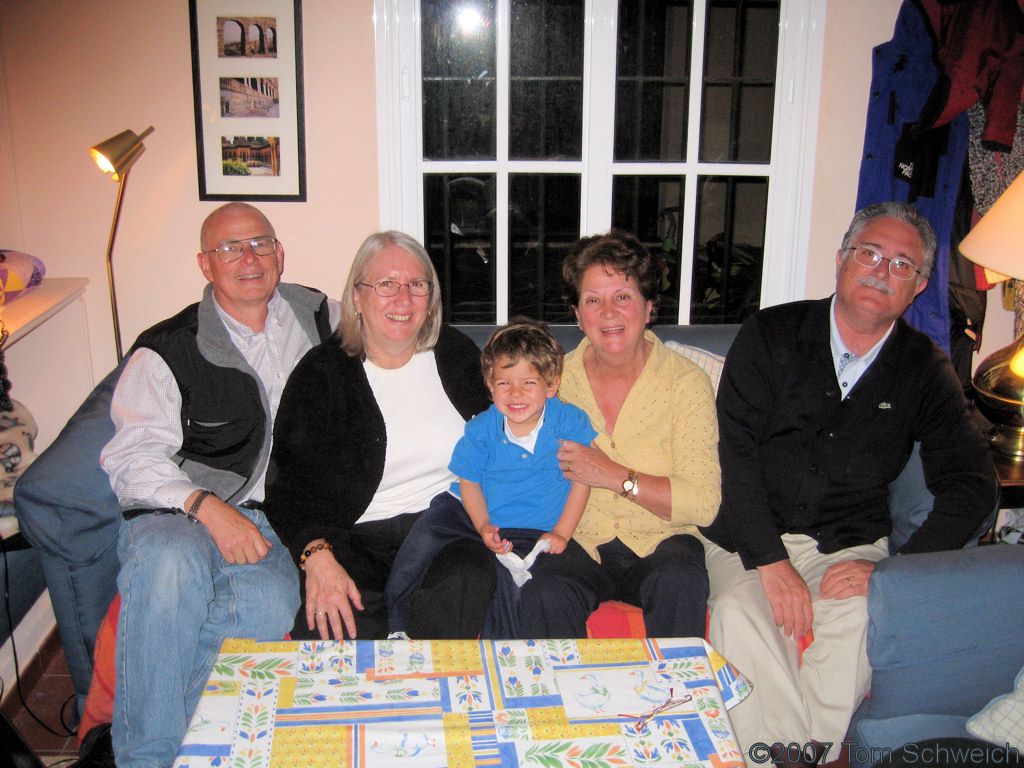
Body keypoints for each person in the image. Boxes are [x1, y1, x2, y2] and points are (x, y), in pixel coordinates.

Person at [700, 202, 998, 767]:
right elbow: (732, 453)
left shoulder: (923, 366)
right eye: (870, 253)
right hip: (748, 532)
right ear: (841, 260)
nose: (881, 271)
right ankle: (791, 756)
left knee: (865, 615)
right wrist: (771, 561)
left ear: (919, 286)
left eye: (901, 264)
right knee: (741, 613)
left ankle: (798, 752)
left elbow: (972, 483)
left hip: (852, 541)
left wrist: (898, 567)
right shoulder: (771, 332)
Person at [98, 202, 340, 768]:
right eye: (230, 249)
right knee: (169, 568)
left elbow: (388, 342)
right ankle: (146, 760)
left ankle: (195, 751)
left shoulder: (320, 318)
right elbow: (130, 456)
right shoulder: (168, 346)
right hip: (179, 510)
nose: (248, 258)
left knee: (271, 603)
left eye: (260, 243)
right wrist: (206, 506)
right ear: (205, 264)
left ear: (280, 253)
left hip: (274, 516)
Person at [263, 230, 496, 642]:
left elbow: (506, 432)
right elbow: (286, 488)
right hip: (352, 539)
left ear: (431, 297)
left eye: (416, 285)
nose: (403, 299)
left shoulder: (457, 356)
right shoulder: (322, 373)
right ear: (357, 296)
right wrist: (315, 554)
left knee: (467, 578)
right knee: (343, 635)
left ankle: (439, 698)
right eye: (386, 284)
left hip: (443, 527)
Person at [520, 229, 721, 638]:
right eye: (593, 300)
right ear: (578, 314)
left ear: (649, 308)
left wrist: (612, 475)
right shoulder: (553, 382)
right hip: (580, 540)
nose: (608, 313)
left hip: (664, 542)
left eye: (623, 297)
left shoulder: (686, 382)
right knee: (545, 590)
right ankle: (560, 702)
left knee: (681, 580)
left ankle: (676, 700)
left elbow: (703, 504)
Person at [386, 317, 597, 638]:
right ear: (489, 384)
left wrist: (562, 533)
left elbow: (583, 478)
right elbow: (469, 483)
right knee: (422, 541)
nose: (515, 394)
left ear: (551, 385)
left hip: (531, 526)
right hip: (468, 509)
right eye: (503, 383)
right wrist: (482, 524)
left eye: (528, 382)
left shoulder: (568, 422)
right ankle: (398, 623)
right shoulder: (481, 429)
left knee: (513, 589)